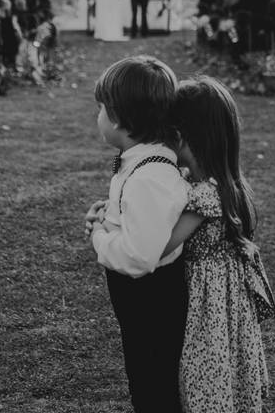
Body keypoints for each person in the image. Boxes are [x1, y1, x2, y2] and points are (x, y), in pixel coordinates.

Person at [161, 77, 275, 412]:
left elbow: (163, 244)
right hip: (227, 302)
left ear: (181, 137)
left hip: (210, 304)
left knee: (209, 374)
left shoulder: (204, 196)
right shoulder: (226, 184)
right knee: (226, 371)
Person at [84, 55, 188, 413]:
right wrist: (110, 215)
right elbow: (141, 218)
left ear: (118, 117)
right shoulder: (141, 163)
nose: (97, 116)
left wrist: (100, 236)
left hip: (151, 301)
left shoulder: (149, 176)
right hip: (144, 302)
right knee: (146, 382)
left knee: (153, 389)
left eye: (100, 108)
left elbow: (139, 257)